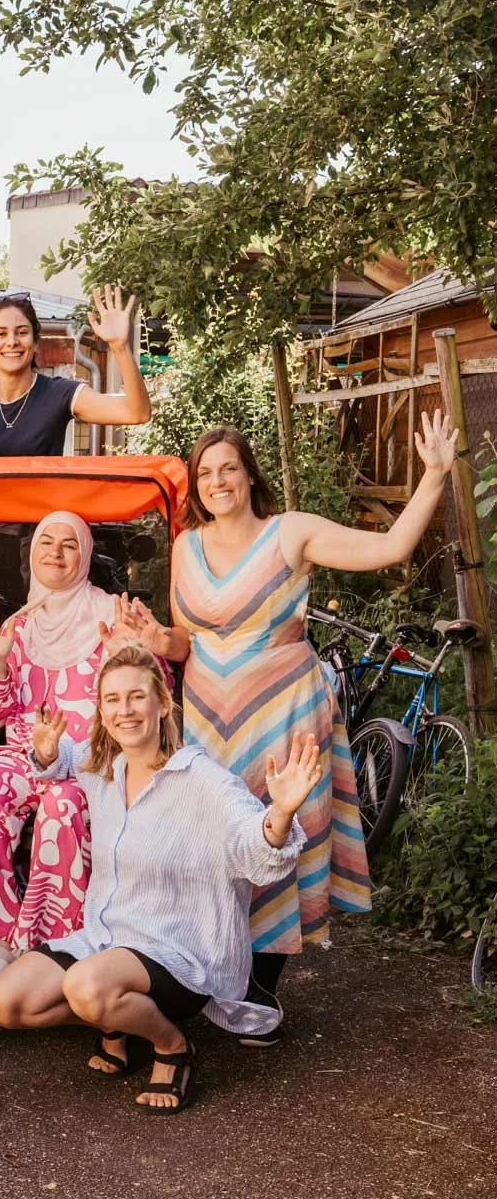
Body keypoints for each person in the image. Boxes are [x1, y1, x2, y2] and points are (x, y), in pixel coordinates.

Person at [115, 412, 458, 1044]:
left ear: (249, 474)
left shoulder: (289, 533)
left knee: (278, 827)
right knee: (214, 840)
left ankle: (260, 984)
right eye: (205, 473)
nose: (218, 481)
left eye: (228, 468)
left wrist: (434, 475)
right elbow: (188, 639)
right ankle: (209, 965)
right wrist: (158, 639)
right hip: (207, 715)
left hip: (283, 709)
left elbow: (389, 548)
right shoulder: (186, 546)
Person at [0, 643, 319, 1113]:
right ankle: (119, 1019)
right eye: (113, 699)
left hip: (176, 951)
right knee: (4, 1001)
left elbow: (256, 853)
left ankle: (171, 1045)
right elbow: (63, 758)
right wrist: (45, 751)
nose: (125, 710)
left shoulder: (203, 779)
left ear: (163, 704)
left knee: (86, 987)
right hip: (106, 940)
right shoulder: (105, 767)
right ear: (102, 712)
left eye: (136, 697)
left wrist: (280, 813)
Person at [0, 511, 120, 984]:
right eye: (46, 542)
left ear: (85, 555)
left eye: (69, 544)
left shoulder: (110, 615)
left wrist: (128, 653)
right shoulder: (20, 625)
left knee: (62, 806)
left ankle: (52, 947)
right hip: (25, 754)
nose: (56, 553)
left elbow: (143, 691)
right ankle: (4, 935)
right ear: (32, 553)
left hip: (88, 762)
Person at [0, 286, 152, 611]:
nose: (12, 341)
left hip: (45, 540)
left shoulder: (59, 393)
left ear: (35, 343)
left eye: (22, 332)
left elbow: (136, 413)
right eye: (1, 334)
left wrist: (120, 347)